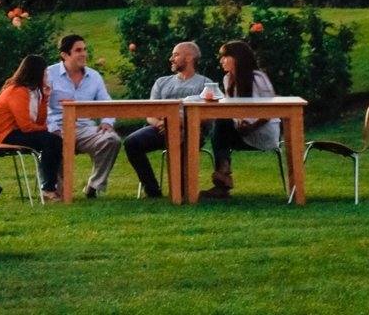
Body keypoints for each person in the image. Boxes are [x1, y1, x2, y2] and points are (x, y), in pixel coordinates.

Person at [123, 42, 213, 199]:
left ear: (189, 57)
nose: (171, 59)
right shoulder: (161, 82)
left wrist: (179, 123)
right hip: (161, 128)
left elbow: (210, 114)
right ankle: (152, 190)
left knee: (181, 140)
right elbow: (150, 112)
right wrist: (160, 123)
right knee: (132, 142)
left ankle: (183, 189)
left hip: (190, 131)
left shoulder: (205, 83)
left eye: (176, 55)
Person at [200, 40, 280, 199]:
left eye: (225, 57)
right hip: (241, 131)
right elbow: (232, 110)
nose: (221, 61)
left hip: (262, 130)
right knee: (220, 122)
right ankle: (223, 174)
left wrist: (252, 126)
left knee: (220, 125)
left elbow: (271, 110)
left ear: (237, 58)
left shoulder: (258, 78)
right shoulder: (227, 79)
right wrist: (240, 121)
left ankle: (222, 176)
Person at [47, 34, 121, 199]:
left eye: (85, 50)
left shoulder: (94, 76)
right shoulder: (49, 74)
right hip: (58, 126)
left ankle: (94, 186)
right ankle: (57, 190)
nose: (84, 54)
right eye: (78, 50)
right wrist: (53, 128)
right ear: (65, 55)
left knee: (112, 139)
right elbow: (41, 106)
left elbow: (106, 103)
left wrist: (107, 122)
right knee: (52, 142)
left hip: (85, 128)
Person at [0, 55, 63, 201]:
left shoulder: (31, 92)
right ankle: (48, 188)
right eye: (44, 73)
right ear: (36, 73)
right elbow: (27, 126)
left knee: (53, 140)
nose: (47, 77)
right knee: (52, 140)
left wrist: (45, 98)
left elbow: (39, 120)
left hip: (14, 132)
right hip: (4, 135)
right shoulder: (18, 91)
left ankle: (49, 187)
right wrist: (44, 129)